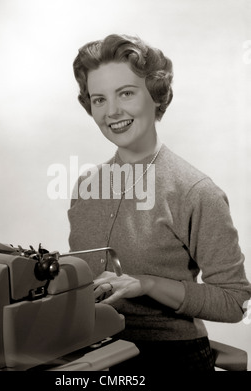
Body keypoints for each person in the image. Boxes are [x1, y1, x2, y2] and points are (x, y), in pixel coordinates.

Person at [68, 34, 251, 372]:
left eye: (125, 93)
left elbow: (234, 301)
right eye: (98, 99)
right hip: (93, 353)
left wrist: (148, 284)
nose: (112, 112)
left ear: (155, 95)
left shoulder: (196, 191)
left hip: (170, 358)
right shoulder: (85, 186)